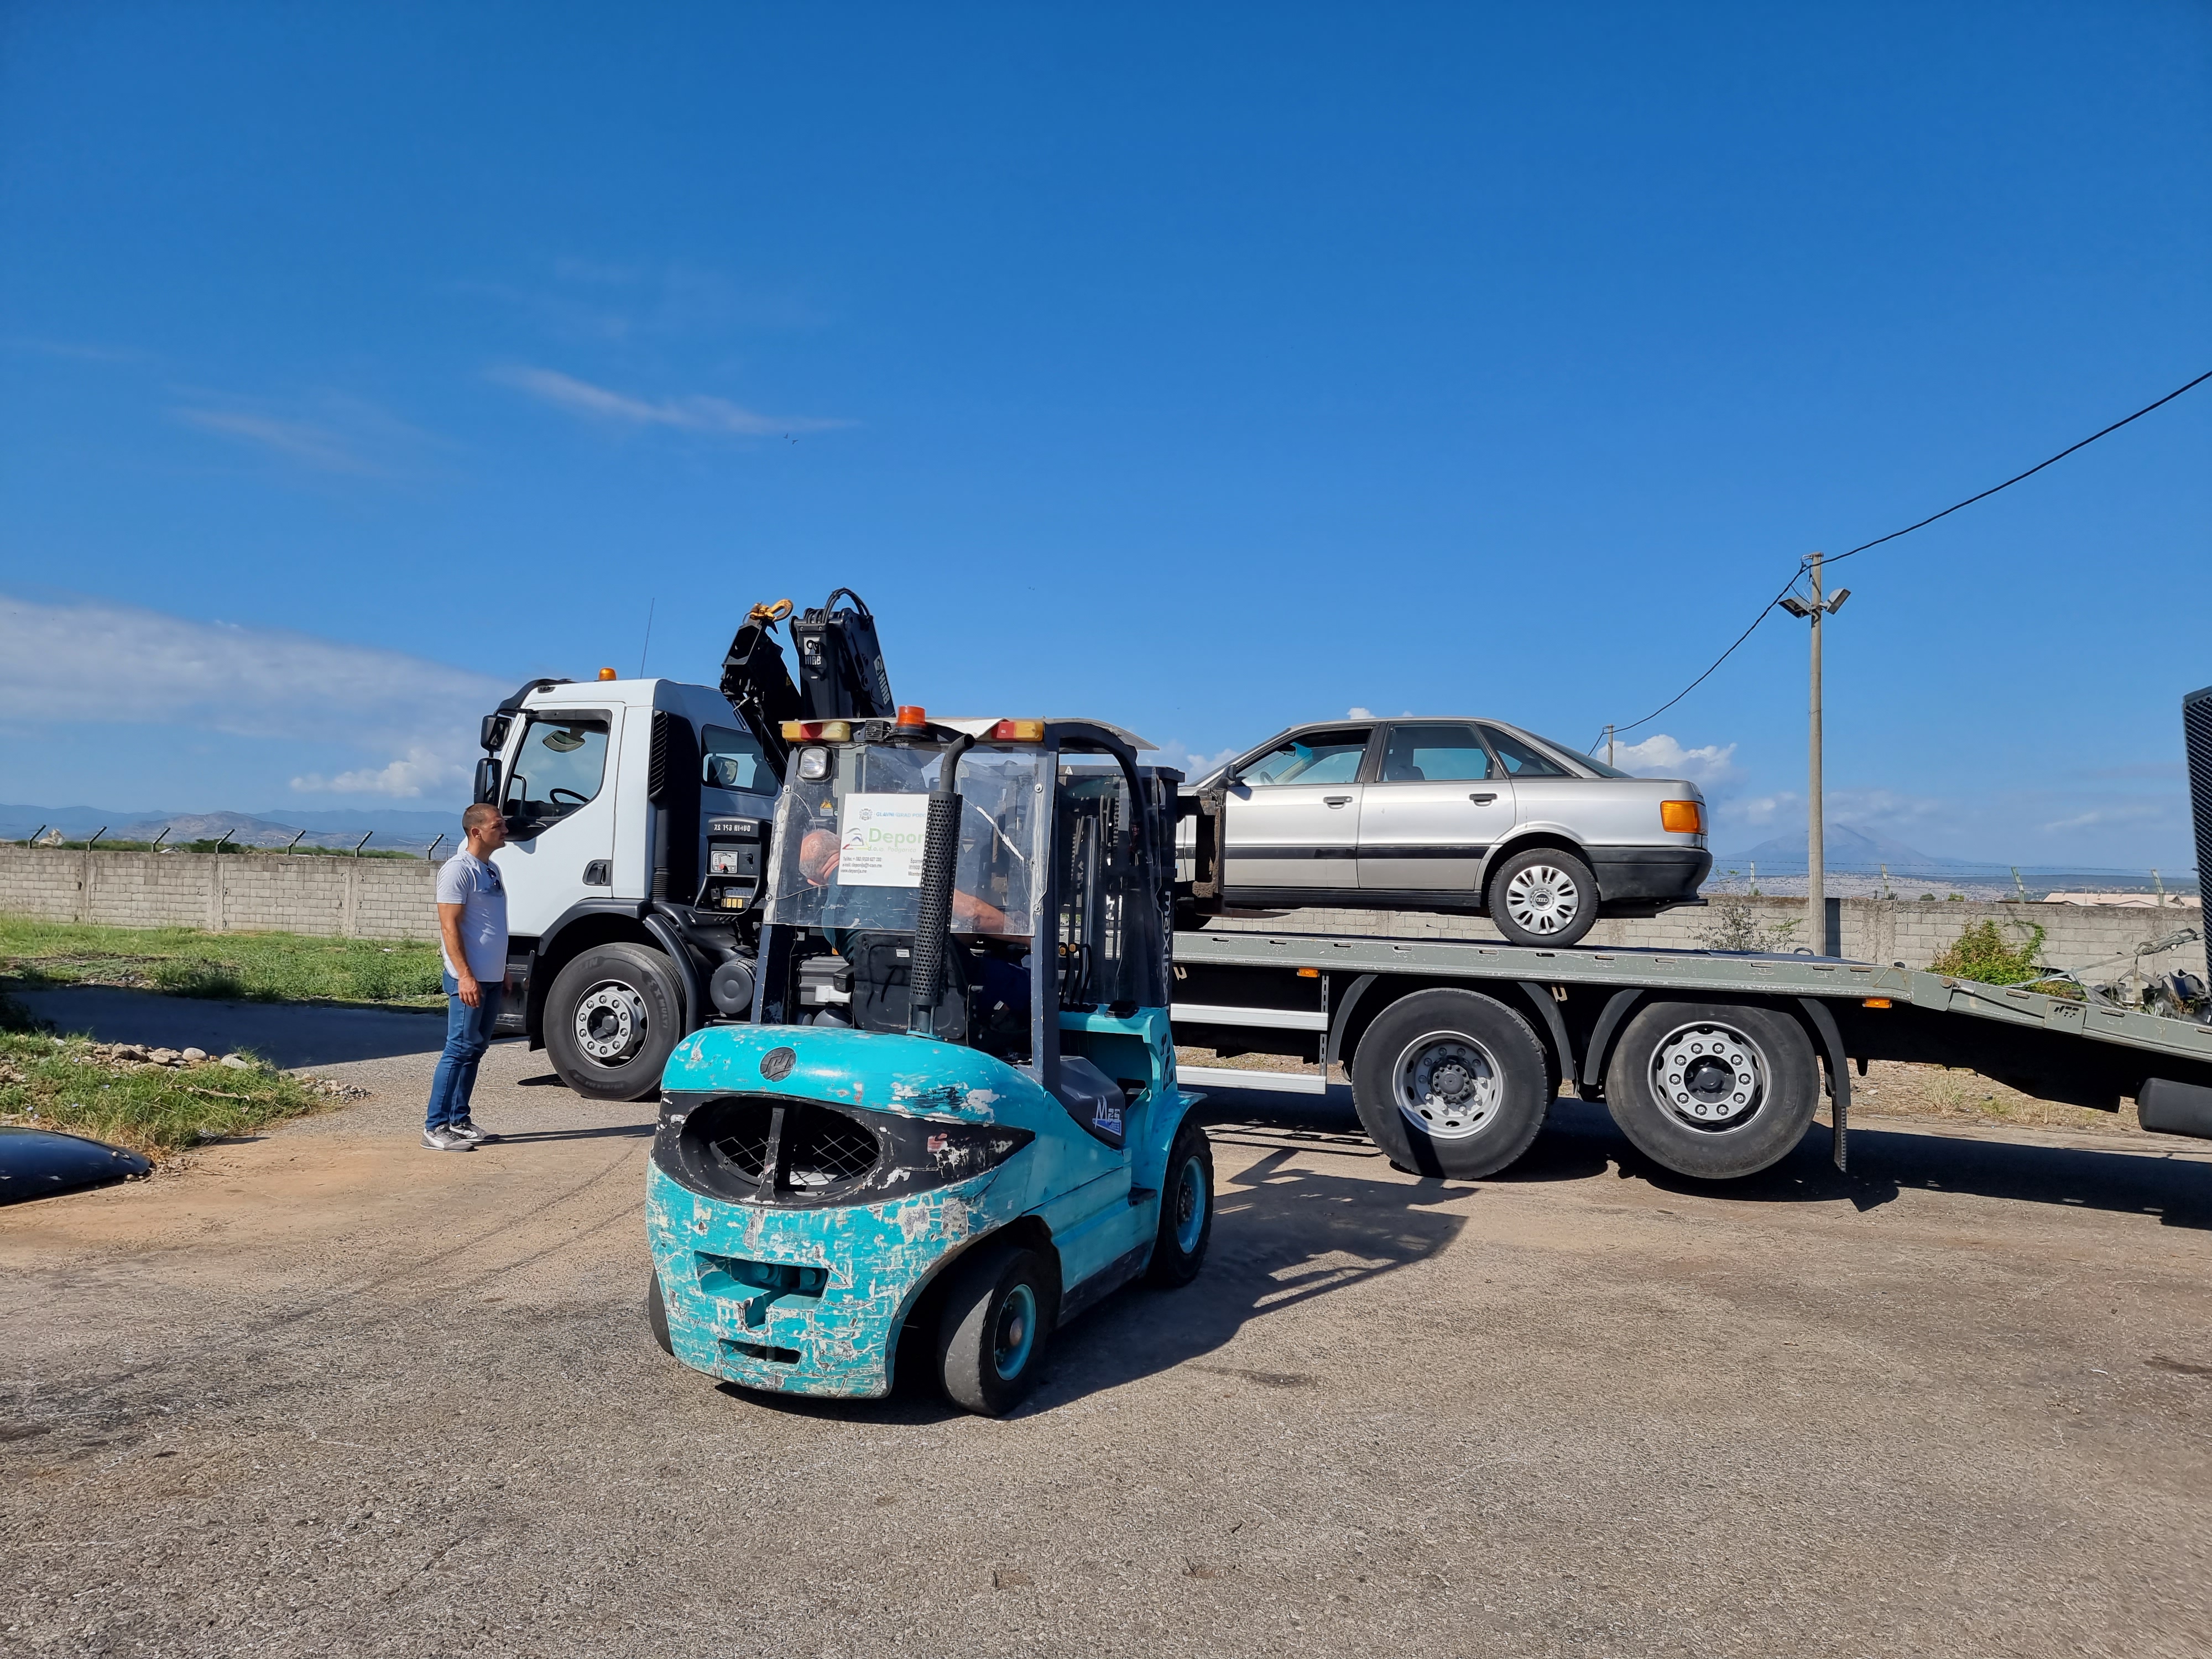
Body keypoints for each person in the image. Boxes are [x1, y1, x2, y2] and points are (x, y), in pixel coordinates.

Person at [424, 802, 509, 1151]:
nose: (505, 830)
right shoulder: (458, 870)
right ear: (477, 831)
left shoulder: (491, 869)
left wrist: (501, 971)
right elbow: (450, 926)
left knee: (475, 1050)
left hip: (490, 977)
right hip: (469, 979)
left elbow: (492, 925)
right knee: (458, 1049)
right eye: (498, 825)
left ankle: (459, 1120)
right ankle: (435, 1127)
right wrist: (465, 976)